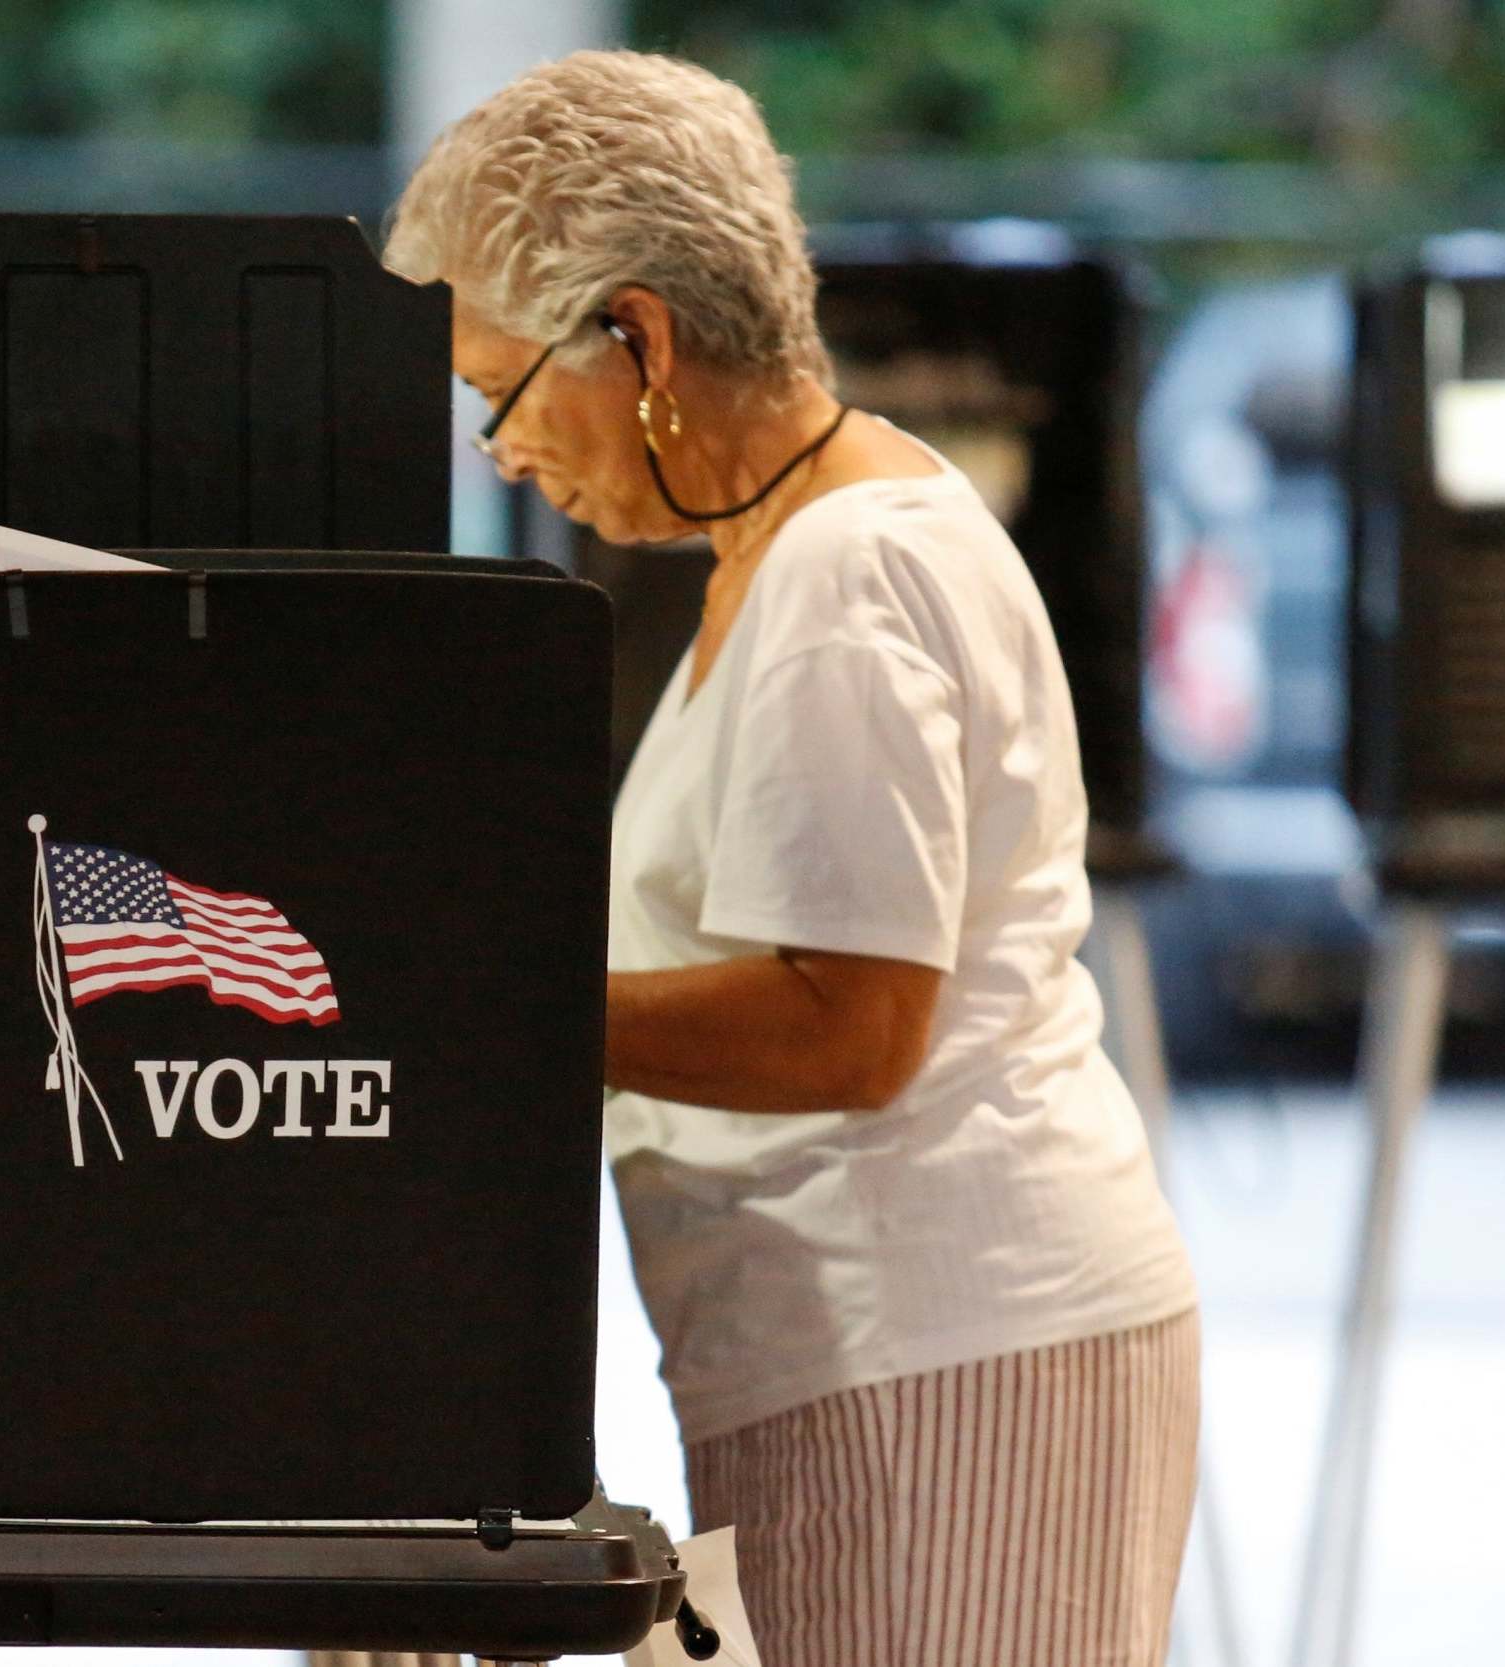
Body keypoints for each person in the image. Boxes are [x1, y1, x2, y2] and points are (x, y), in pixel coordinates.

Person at [386, 50, 1200, 1667]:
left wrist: (473, 1012)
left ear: (637, 336)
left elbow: (849, 1025)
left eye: (503, 390)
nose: (498, 449)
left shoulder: (846, 573)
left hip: (928, 1341)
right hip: (881, 1343)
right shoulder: (800, 544)